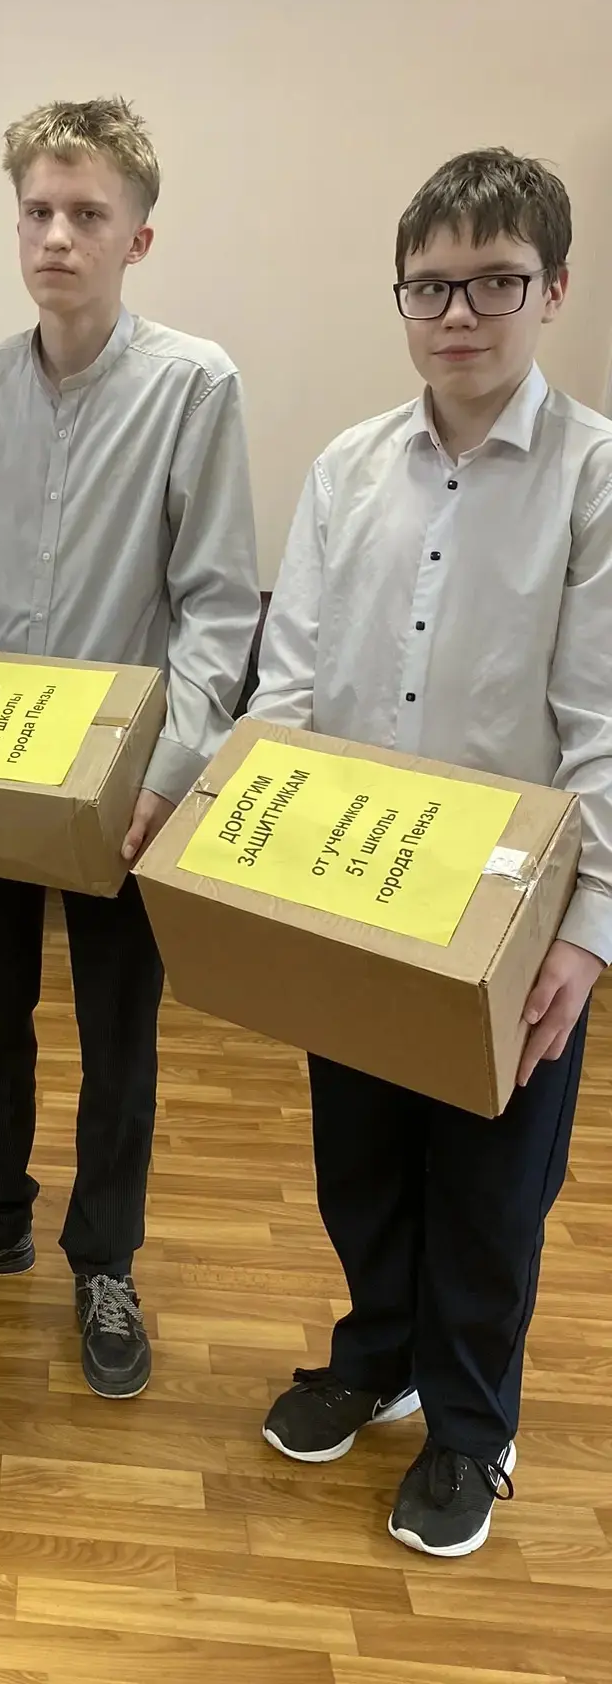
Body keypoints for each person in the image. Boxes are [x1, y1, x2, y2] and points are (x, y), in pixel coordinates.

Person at [0, 98, 262, 1398]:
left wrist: (170, 773)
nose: (57, 236)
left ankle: (105, 1260)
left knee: (116, 1032)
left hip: (119, 783)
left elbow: (216, 606)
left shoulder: (194, 385)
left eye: (87, 214)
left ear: (137, 238)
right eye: (37, 210)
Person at [251, 148, 609, 1557]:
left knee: (492, 1182)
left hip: (509, 912)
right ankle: (380, 1350)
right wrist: (248, 862)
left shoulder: (593, 478)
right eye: (432, 285)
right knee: (361, 1155)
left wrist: (589, 933)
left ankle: (471, 1425)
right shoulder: (347, 468)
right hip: (347, 879)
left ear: (553, 288)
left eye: (495, 283)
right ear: (402, 294)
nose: (459, 313)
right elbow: (289, 681)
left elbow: (603, 722)